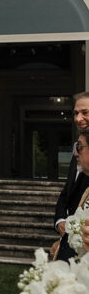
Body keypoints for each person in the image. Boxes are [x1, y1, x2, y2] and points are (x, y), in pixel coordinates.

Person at [54, 91, 89, 254]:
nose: (78, 118)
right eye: (75, 113)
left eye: (85, 112)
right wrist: (61, 221)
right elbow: (67, 193)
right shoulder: (78, 150)